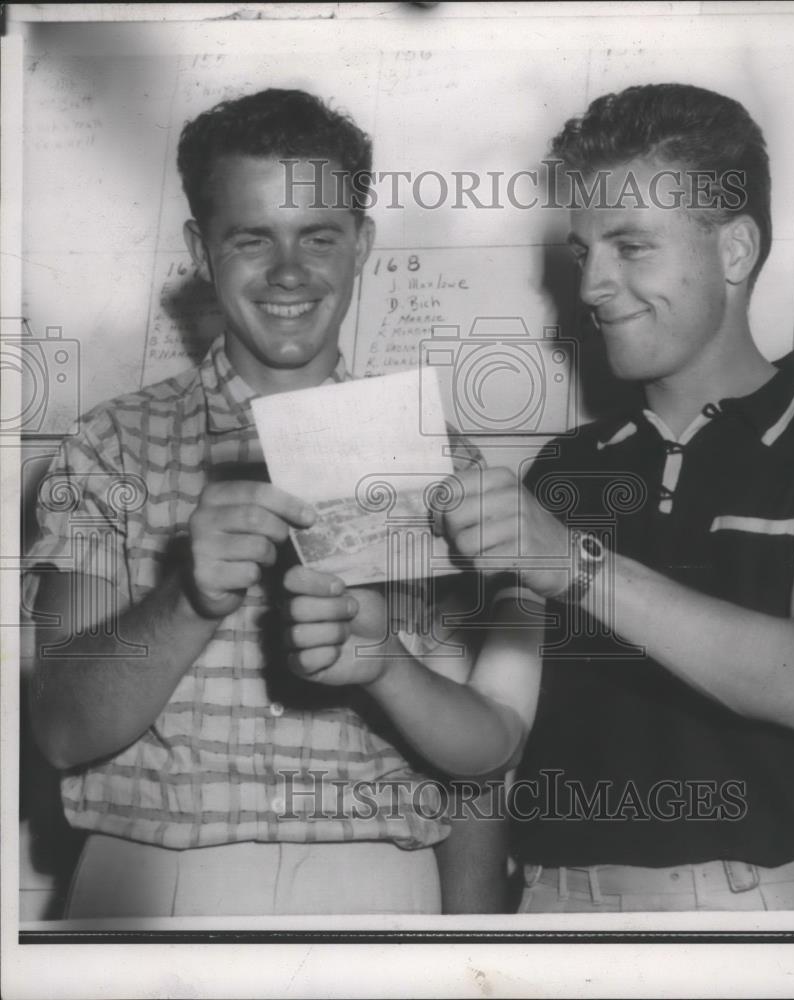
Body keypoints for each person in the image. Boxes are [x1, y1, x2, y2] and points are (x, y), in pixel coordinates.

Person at [24, 88, 537, 919]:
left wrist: (472, 944)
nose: (290, 273)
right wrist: (187, 599)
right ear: (202, 248)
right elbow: (61, 730)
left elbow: (477, 759)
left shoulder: (440, 462)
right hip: (153, 886)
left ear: (362, 244)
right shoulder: (108, 445)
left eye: (319, 237)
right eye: (252, 237)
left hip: (376, 885)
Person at [440, 83, 794, 912]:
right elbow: (491, 741)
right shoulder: (565, 467)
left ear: (734, 252)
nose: (594, 285)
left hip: (750, 916)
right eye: (583, 253)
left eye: (630, 247)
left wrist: (572, 564)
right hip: (550, 913)